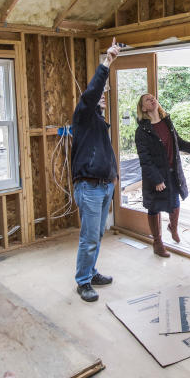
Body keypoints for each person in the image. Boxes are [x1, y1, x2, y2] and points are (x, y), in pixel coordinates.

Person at [70, 38, 121, 302]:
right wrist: (108, 61)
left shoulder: (99, 122)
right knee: (89, 237)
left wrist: (113, 177)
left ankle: (91, 271)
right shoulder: (83, 116)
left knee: (98, 234)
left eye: (104, 95)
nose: (101, 97)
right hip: (89, 186)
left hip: (103, 185)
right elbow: (92, 93)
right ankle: (83, 281)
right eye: (99, 95)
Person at [134, 93, 190, 258]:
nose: (152, 99)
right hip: (156, 177)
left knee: (174, 203)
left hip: (172, 172)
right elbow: (145, 160)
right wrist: (157, 179)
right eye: (148, 99)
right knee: (154, 208)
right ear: (144, 108)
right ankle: (157, 243)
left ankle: (172, 227)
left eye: (153, 97)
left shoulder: (167, 123)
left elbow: (178, 143)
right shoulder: (142, 131)